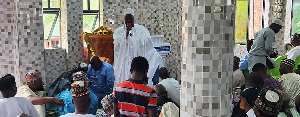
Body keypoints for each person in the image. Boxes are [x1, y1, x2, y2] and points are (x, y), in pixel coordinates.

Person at [113, 8, 162, 88]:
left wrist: (132, 37)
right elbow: (117, 45)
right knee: (123, 81)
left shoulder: (142, 30)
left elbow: (146, 42)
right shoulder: (119, 31)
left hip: (136, 60)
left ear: (133, 19)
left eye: (130, 18)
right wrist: (126, 34)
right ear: (124, 20)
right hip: (123, 62)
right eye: (127, 19)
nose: (128, 20)